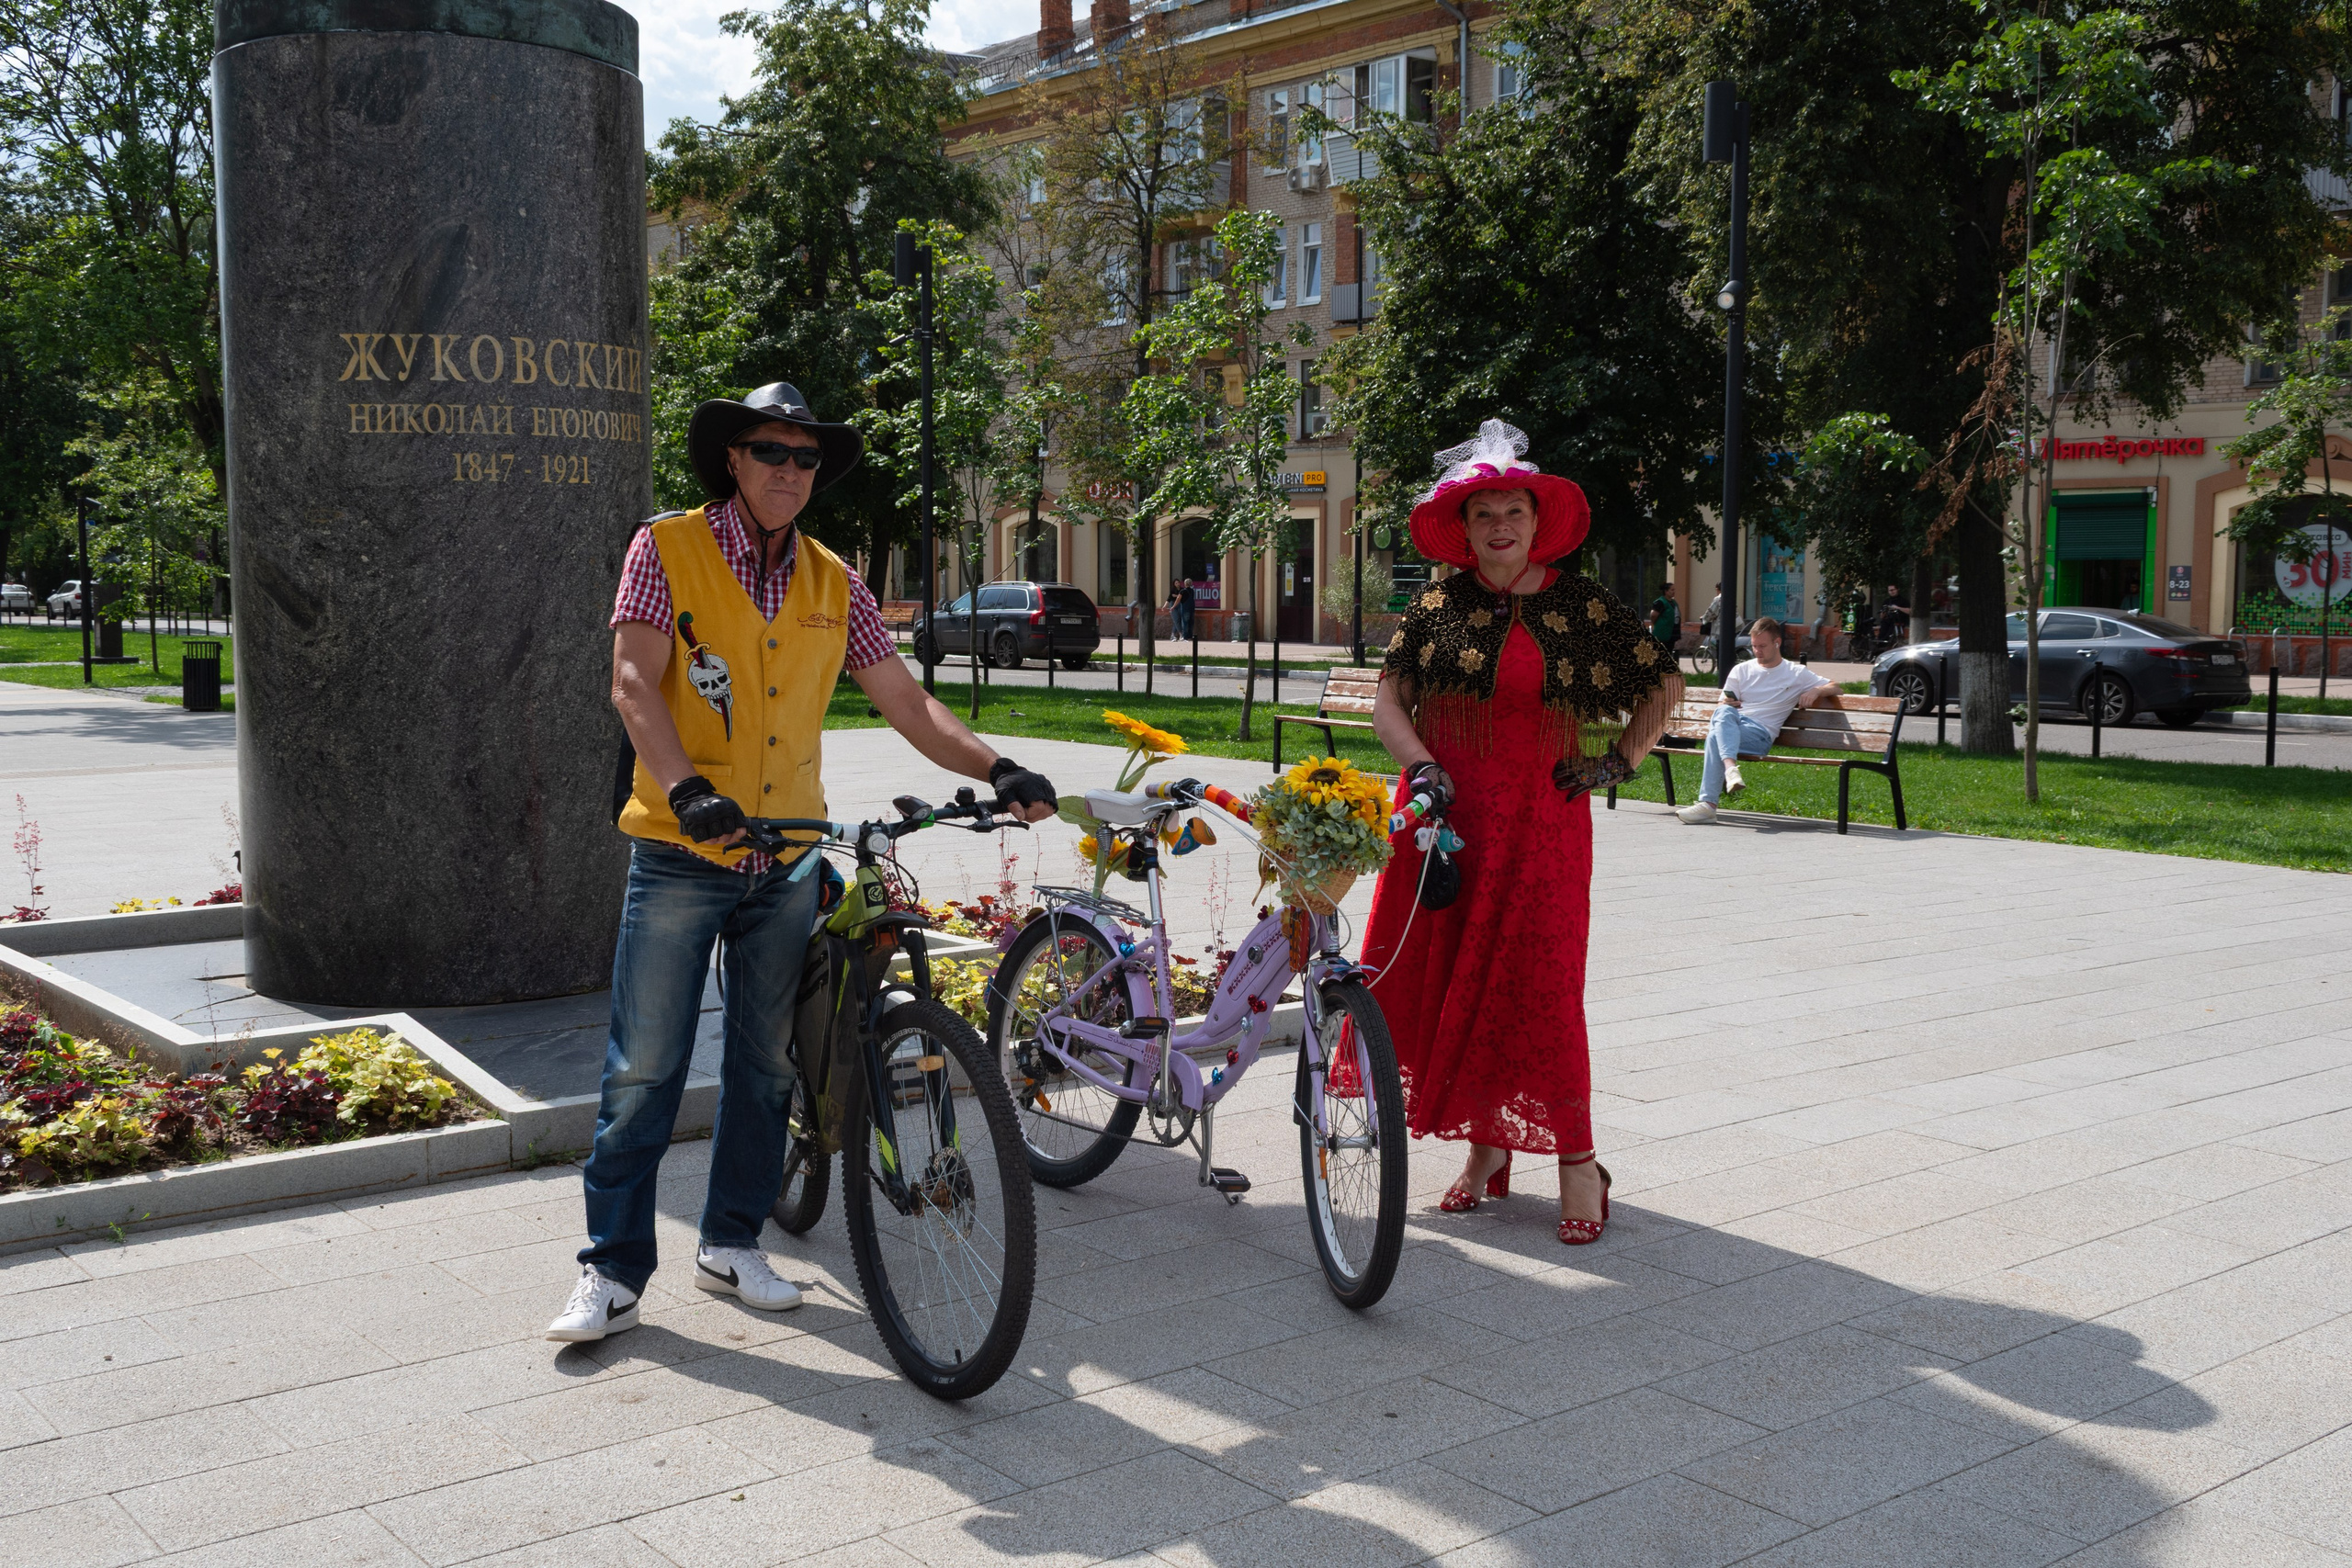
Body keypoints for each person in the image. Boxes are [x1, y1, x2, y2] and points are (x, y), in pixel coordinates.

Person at [548, 382, 1060, 1343]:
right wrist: (689, 789)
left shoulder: (837, 579)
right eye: (769, 452)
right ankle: (610, 1271)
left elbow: (906, 703)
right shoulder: (663, 547)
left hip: (785, 858)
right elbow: (631, 679)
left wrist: (998, 766)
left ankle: (732, 1242)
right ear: (732, 461)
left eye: (804, 457)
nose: (789, 470)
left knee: (764, 1063)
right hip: (679, 850)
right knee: (644, 1069)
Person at [1364, 420, 1680, 1246]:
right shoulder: (1435, 603)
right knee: (1451, 981)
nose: (1500, 526)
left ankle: (1579, 1158)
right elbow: (1388, 700)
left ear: (1538, 520)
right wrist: (1422, 766)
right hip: (1443, 821)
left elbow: (1663, 681)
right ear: (1463, 529)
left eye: (1514, 511)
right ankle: (1485, 1151)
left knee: (1537, 987)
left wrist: (1618, 760)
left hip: (1541, 828)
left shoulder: (1581, 604)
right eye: (1483, 514)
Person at [1675, 615, 1838, 825]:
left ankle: (1709, 804)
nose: (1757, 651)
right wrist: (1726, 702)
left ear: (1777, 643)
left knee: (1715, 736)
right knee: (1722, 715)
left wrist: (1816, 690)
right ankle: (1730, 771)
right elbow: (1721, 707)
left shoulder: (1796, 673)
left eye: (1762, 646)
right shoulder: (1741, 670)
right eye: (1754, 646)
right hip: (1734, 727)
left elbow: (1836, 686)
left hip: (1760, 736)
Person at [1173, 577, 1197, 641]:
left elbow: (1178, 599)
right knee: (1191, 622)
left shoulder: (1182, 591)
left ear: (1185, 584)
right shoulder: (1192, 591)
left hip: (1185, 608)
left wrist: (1173, 607)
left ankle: (1185, 636)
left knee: (1185, 622)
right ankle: (1190, 636)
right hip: (1191, 608)